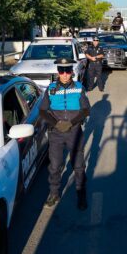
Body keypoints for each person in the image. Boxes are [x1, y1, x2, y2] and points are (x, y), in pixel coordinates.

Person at [39, 58, 91, 210]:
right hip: (56, 133)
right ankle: (54, 192)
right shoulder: (51, 89)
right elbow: (43, 111)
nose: (65, 75)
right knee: (55, 166)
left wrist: (71, 123)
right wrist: (57, 124)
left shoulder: (79, 87)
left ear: (71, 72)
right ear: (58, 73)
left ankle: (81, 193)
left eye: (68, 71)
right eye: (62, 71)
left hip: (74, 131)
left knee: (79, 165)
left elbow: (86, 110)